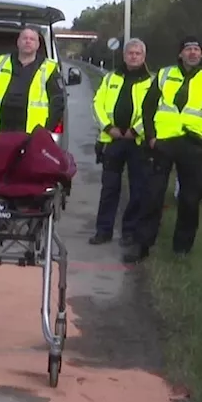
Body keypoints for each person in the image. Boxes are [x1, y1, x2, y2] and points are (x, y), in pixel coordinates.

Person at [123, 36, 202, 264]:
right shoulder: (164, 75)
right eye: (188, 49)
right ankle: (143, 246)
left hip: (191, 145)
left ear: (201, 54)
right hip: (163, 143)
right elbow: (148, 107)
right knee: (152, 195)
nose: (192, 53)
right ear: (180, 54)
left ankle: (182, 249)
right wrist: (150, 137)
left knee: (189, 200)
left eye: (196, 49)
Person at [89, 38, 154, 247]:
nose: (133, 56)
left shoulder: (152, 82)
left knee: (137, 189)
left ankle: (129, 232)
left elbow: (155, 111)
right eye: (130, 53)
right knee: (109, 188)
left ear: (144, 57)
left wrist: (136, 131)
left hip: (138, 143)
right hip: (112, 140)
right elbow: (97, 104)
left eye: (137, 53)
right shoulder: (110, 78)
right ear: (124, 55)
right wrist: (108, 128)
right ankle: (103, 230)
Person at [0, 27, 65, 135]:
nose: (28, 41)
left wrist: (48, 129)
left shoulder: (49, 68)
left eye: (32, 39)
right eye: (24, 38)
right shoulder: (1, 62)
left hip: (32, 134)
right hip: (0, 129)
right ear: (18, 42)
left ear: (37, 45)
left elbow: (57, 101)